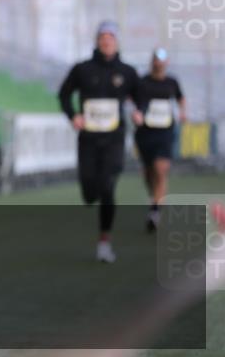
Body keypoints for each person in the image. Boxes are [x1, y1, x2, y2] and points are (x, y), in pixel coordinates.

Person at [58, 20, 141, 264]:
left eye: (111, 38)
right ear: (97, 41)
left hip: (114, 138)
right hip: (88, 139)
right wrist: (73, 115)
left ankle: (104, 241)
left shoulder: (127, 72)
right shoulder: (82, 69)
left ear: (116, 42)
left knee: (107, 187)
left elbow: (140, 96)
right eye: (103, 37)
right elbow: (64, 94)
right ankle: (90, 193)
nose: (106, 41)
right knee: (89, 192)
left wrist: (139, 110)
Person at [134, 47, 186, 232]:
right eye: (156, 59)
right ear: (152, 62)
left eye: (162, 60)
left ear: (167, 62)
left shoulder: (172, 82)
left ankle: (156, 211)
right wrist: (137, 113)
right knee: (149, 172)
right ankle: (154, 198)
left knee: (161, 169)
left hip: (165, 132)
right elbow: (134, 101)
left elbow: (181, 98)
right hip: (145, 133)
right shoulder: (143, 82)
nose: (159, 63)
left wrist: (182, 112)